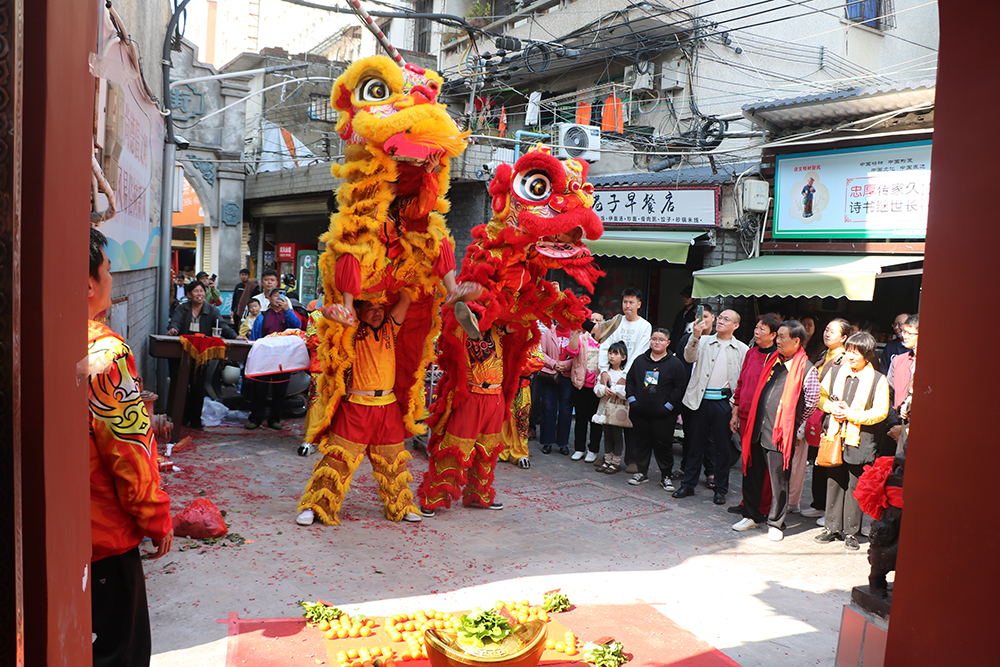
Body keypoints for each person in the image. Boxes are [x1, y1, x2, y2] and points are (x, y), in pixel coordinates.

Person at [88, 227, 173, 666]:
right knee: (121, 653)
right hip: (103, 535)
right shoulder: (105, 354)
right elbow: (130, 452)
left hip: (61, 533)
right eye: (108, 270)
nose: (112, 279)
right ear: (88, 284)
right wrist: (157, 517)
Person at [297, 293, 423, 524]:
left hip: (387, 406)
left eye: (380, 307)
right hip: (356, 406)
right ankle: (316, 506)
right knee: (336, 459)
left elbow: (405, 298)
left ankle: (401, 506)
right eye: (370, 308)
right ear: (359, 310)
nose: (377, 312)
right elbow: (329, 311)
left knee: (393, 462)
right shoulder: (351, 328)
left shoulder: (390, 328)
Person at [738, 321, 821, 542]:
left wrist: (793, 423)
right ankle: (751, 515)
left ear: (796, 341)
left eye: (783, 337)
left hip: (781, 433)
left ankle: (776, 522)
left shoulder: (806, 368)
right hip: (758, 426)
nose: (778, 340)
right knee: (752, 472)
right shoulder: (772, 360)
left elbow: (812, 400)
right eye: (778, 336)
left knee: (778, 480)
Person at [418, 323, 509, 515]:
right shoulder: (462, 324)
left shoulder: (500, 325)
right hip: (470, 395)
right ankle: (433, 497)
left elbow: (520, 322)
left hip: (496, 397)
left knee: (488, 449)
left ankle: (479, 494)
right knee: (455, 448)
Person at [814, 332, 890, 551]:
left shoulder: (878, 379)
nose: (850, 356)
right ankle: (831, 527)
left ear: (867, 354)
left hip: (861, 438)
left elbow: (881, 412)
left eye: (855, 352)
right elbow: (820, 397)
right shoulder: (836, 372)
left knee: (854, 485)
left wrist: (852, 415)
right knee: (834, 481)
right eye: (849, 351)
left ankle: (851, 531)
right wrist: (831, 407)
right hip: (836, 435)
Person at [676, 309, 748, 504]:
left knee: (722, 448)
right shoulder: (705, 341)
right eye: (720, 318)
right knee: (694, 445)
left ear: (736, 325)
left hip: (724, 403)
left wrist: (735, 405)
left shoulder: (742, 349)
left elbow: (742, 381)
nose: (721, 321)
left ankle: (720, 489)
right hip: (699, 401)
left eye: (727, 319)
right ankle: (688, 484)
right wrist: (695, 336)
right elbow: (689, 357)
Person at [729, 313, 780, 531]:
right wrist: (735, 410)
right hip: (744, 415)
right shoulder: (751, 353)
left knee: (764, 465)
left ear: (774, 335)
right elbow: (741, 382)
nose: (756, 332)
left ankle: (762, 506)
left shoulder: (778, 358)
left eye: (762, 329)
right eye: (756, 328)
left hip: (765, 419)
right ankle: (747, 503)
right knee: (747, 461)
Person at [798, 318, 851, 523]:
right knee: (819, 461)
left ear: (844, 338)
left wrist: (826, 405)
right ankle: (818, 504)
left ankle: (831, 510)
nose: (827, 334)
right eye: (827, 330)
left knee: (831, 461)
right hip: (818, 412)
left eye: (833, 332)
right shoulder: (824, 353)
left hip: (830, 414)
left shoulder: (844, 359)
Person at [166, 280, 239, 429]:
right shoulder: (182, 309)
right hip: (183, 354)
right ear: (189, 294)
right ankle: (181, 418)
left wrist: (234, 336)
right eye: (196, 291)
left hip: (201, 356)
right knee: (181, 387)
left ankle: (195, 420)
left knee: (198, 388)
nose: (199, 294)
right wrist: (173, 329)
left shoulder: (211, 310)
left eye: (201, 291)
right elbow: (175, 322)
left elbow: (222, 326)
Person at [598, 288, 652, 472]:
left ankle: (632, 459)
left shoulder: (645, 326)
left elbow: (639, 352)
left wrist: (625, 375)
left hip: (632, 376)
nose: (627, 305)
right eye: (625, 302)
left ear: (639, 304)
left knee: (630, 417)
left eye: (631, 302)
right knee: (606, 417)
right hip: (612, 374)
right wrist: (604, 369)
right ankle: (607, 456)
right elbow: (604, 343)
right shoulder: (616, 321)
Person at [626, 328, 686, 490]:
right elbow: (630, 381)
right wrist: (632, 401)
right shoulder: (640, 361)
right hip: (640, 412)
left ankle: (666, 475)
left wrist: (668, 406)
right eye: (654, 339)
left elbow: (680, 387)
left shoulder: (675, 364)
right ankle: (641, 472)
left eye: (660, 340)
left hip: (664, 415)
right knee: (641, 443)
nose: (656, 342)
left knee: (663, 445)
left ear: (668, 343)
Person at [245, 288, 302, 430]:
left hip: (283, 358)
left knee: (280, 389)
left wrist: (288, 310)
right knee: (260, 389)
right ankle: (256, 418)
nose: (278, 298)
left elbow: (298, 326)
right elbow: (254, 339)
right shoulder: (262, 316)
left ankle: (274, 419)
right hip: (264, 358)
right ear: (269, 299)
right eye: (275, 296)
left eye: (281, 296)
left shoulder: (289, 314)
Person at [569, 316, 603, 462]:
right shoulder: (582, 337)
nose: (594, 322)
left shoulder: (605, 340)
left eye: (598, 320)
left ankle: (593, 450)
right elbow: (571, 351)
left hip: (597, 386)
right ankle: (579, 448)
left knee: (596, 420)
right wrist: (576, 333)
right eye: (592, 319)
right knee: (581, 418)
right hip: (581, 384)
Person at [537, 320, 574, 455]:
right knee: (548, 407)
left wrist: (565, 365)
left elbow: (579, 354)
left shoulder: (575, 333)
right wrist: (554, 364)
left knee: (566, 409)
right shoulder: (548, 332)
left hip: (567, 376)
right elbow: (541, 352)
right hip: (549, 375)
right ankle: (547, 441)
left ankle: (563, 443)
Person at [593, 341, 630, 474]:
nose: (612, 356)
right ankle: (607, 460)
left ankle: (616, 462)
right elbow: (596, 389)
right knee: (607, 434)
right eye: (610, 353)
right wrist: (603, 390)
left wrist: (615, 389)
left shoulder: (624, 375)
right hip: (604, 409)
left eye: (616, 353)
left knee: (617, 435)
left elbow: (627, 392)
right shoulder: (605, 373)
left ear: (624, 357)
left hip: (618, 409)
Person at [886, 314, 919, 454]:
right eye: (904, 332)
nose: (904, 336)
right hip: (896, 423)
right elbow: (888, 394)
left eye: (909, 333)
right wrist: (894, 424)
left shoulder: (931, 364)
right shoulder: (898, 361)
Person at [670, 285, 698, 353]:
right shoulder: (680, 314)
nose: (686, 299)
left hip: (687, 346)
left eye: (688, 297)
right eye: (684, 296)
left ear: (694, 298)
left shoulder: (695, 314)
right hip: (674, 347)